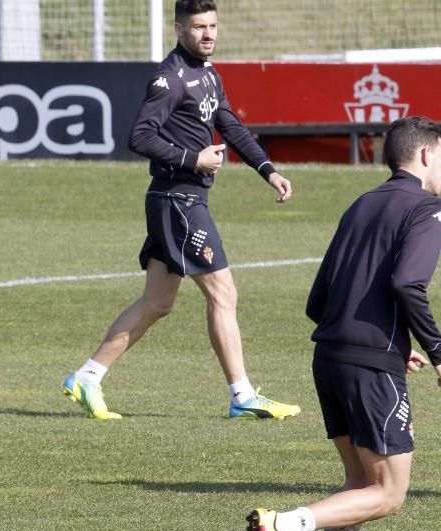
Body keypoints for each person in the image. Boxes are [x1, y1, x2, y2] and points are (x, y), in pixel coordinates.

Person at [244, 116, 441, 531]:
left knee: (358, 485)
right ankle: (282, 525)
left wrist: (392, 345)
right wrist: (436, 350)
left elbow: (318, 300)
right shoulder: (426, 208)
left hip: (330, 356)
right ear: (424, 156)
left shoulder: (361, 203)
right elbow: (408, 283)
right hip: (369, 365)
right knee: (389, 494)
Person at [62, 0, 299, 421]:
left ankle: (87, 376)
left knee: (156, 303)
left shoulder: (208, 74)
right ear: (178, 29)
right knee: (224, 293)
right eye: (199, 27)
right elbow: (139, 136)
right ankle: (242, 394)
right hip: (180, 201)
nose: (208, 34)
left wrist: (269, 170)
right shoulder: (169, 79)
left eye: (213, 26)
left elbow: (231, 126)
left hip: (177, 201)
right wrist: (194, 159)